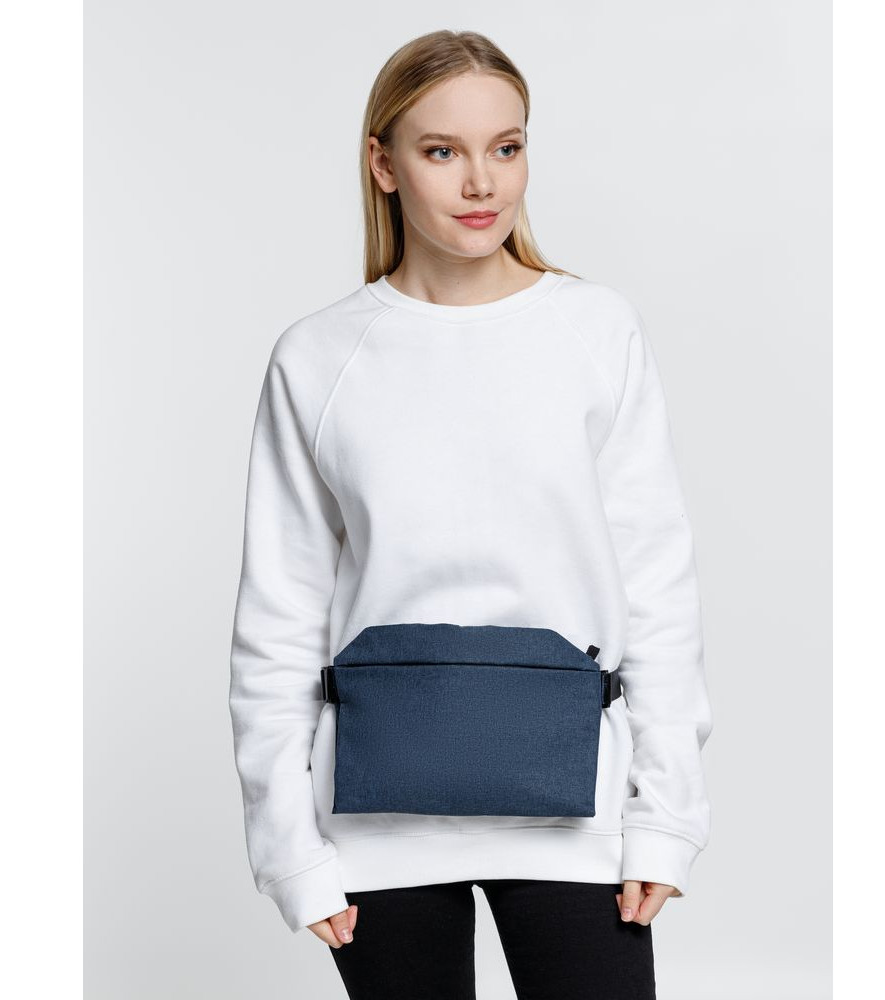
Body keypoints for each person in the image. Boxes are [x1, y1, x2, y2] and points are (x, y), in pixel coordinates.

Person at [228, 28, 713, 1000]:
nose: (481, 181)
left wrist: (665, 816)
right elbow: (279, 616)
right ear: (384, 164)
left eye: (507, 146)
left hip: (575, 808)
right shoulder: (319, 356)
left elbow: (655, 583)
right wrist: (288, 846)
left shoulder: (594, 330)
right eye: (442, 150)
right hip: (375, 818)